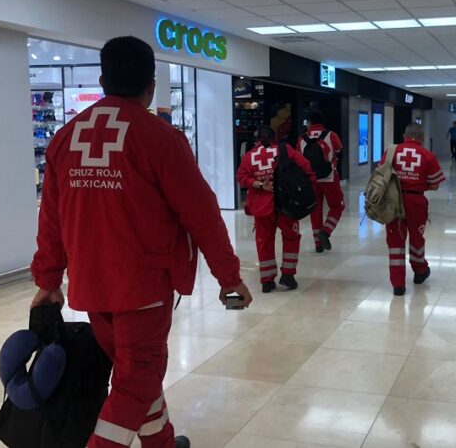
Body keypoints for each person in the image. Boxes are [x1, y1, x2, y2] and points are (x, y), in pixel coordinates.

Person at [30, 36, 253, 448]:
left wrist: (47, 279)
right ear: (151, 85)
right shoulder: (160, 139)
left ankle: (161, 443)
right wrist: (229, 278)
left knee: (135, 373)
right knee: (136, 382)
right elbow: (202, 215)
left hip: (92, 286)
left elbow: (52, 221)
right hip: (144, 288)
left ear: (101, 80)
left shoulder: (65, 138)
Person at [237, 125, 316, 293]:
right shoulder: (285, 150)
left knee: (264, 241)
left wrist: (259, 184)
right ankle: (288, 275)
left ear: (257, 139)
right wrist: (308, 187)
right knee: (291, 238)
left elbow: (242, 178)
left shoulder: (249, 157)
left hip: (261, 207)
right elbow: (305, 166)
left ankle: (267, 280)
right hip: (286, 204)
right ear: (275, 138)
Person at [383, 123, 445, 296]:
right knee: (417, 238)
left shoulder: (391, 152)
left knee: (395, 241)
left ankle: (398, 284)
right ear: (422, 138)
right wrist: (418, 184)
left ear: (405, 136)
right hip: (416, 202)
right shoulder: (428, 155)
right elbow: (434, 185)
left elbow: (381, 176)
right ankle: (420, 271)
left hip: (393, 201)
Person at [297, 111, 344, 253]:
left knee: (315, 211)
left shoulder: (302, 139)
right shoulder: (331, 135)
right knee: (337, 206)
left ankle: (318, 243)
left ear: (309, 122)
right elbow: (339, 149)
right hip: (329, 178)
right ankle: (326, 230)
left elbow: (298, 158)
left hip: (311, 180)